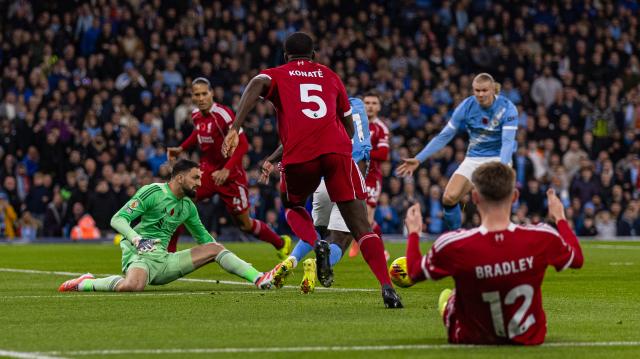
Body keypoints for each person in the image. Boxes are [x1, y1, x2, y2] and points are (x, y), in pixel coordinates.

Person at [221, 32, 402, 308]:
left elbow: (257, 82)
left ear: (285, 56)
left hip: (301, 156)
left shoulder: (279, 74)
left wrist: (235, 127)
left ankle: (313, 241)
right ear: (314, 54)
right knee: (362, 228)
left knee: (293, 205)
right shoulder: (330, 76)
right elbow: (349, 125)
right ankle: (387, 288)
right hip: (338, 154)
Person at [404, 162, 583, 345]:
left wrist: (413, 233)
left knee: (456, 296)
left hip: (469, 338)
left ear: (474, 197)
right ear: (514, 197)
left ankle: (450, 303)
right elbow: (577, 258)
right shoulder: (542, 236)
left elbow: (413, 272)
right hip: (529, 337)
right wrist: (560, 218)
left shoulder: (454, 243)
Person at [58, 160, 275, 292]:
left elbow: (205, 240)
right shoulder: (153, 192)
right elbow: (118, 219)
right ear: (180, 178)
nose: (200, 183)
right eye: (196, 178)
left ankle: (258, 277)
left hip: (165, 261)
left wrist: (218, 252)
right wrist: (136, 239)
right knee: (133, 286)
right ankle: (86, 282)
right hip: (140, 255)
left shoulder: (188, 206)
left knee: (215, 248)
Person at [166, 77, 291, 258]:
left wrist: (226, 169)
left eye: (204, 94)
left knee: (245, 224)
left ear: (212, 94)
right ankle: (168, 255)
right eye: (196, 95)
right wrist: (181, 148)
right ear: (192, 97)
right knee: (179, 203)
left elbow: (243, 144)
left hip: (231, 175)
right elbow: (198, 133)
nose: (200, 98)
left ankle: (281, 242)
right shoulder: (195, 115)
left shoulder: (223, 115)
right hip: (207, 173)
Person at [397, 73, 518, 231]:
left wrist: (501, 168)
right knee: (449, 198)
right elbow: (445, 135)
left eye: (484, 90)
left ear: (492, 90)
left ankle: (502, 237)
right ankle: (456, 236)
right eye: (477, 90)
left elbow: (508, 142)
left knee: (494, 202)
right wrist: (419, 159)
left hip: (500, 157)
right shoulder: (466, 106)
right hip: (474, 158)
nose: (480, 94)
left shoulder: (508, 108)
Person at [308, 96, 371, 293]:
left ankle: (290, 261)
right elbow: (363, 151)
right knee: (343, 237)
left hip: (323, 178)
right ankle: (319, 263)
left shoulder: (322, 111)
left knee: (317, 230)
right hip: (348, 175)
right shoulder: (357, 108)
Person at [349, 91, 389, 257]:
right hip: (354, 173)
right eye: (367, 103)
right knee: (358, 214)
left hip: (372, 176)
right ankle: (380, 250)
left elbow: (384, 154)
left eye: (374, 103)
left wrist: (363, 152)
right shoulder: (354, 123)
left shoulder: (381, 128)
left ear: (379, 107)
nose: (370, 106)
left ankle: (371, 249)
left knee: (368, 217)